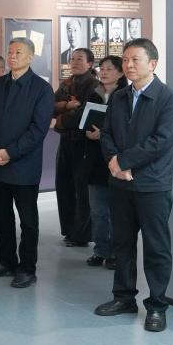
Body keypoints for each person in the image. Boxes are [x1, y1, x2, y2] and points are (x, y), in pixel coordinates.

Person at [94, 38, 173, 332]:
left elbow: (161, 141)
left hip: (152, 185)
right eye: (125, 60)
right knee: (122, 243)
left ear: (152, 64)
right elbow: (107, 133)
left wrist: (124, 162)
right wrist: (114, 162)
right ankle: (124, 298)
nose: (129, 65)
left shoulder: (170, 99)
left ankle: (157, 306)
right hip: (120, 184)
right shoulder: (119, 97)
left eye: (135, 60)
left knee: (156, 247)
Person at [0, 38, 54, 288]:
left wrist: (10, 152)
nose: (12, 56)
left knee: (28, 220)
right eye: (10, 52)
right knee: (0, 217)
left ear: (31, 57)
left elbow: (38, 130)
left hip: (23, 166)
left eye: (18, 52)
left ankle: (27, 268)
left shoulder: (42, 89)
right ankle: (5, 261)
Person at [83, 55, 127, 269]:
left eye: (109, 68)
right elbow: (84, 121)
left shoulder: (126, 95)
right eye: (102, 68)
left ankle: (116, 253)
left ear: (120, 72)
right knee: (98, 211)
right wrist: (88, 132)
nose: (104, 72)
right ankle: (100, 250)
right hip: (95, 161)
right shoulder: (95, 94)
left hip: (117, 160)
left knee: (116, 212)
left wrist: (104, 135)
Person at [53, 48, 99, 246]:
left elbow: (85, 115)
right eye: (72, 59)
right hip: (66, 141)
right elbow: (50, 106)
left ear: (90, 64)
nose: (75, 62)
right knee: (63, 185)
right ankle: (69, 230)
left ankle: (82, 235)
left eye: (80, 59)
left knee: (81, 189)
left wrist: (61, 120)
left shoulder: (94, 85)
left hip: (84, 143)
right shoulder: (66, 83)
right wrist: (66, 106)